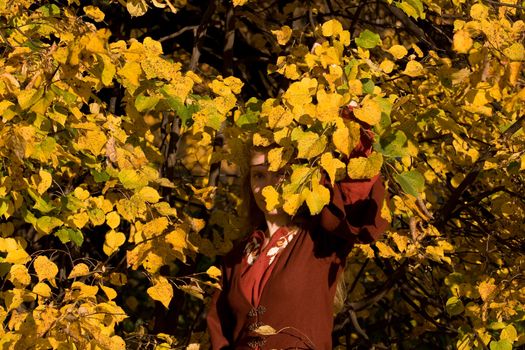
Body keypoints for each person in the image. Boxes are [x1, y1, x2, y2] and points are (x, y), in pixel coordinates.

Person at [206, 127, 388, 349]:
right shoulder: (235, 259)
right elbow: (220, 334)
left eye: (281, 174)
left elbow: (356, 194)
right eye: (259, 175)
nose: (268, 186)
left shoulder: (321, 238)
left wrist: (350, 124)